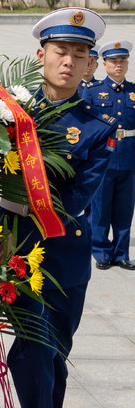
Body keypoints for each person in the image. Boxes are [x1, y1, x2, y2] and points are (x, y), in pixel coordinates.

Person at [0, 8, 115, 408]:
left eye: (79, 54)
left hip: (64, 255)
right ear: (40, 55)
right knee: (32, 351)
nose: (68, 61)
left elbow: (76, 196)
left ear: (90, 64)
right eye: (60, 51)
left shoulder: (96, 129)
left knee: (53, 358)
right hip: (15, 247)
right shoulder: (6, 114)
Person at [84, 38, 135, 271]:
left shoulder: (133, 91)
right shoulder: (94, 92)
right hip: (104, 156)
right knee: (101, 208)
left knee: (125, 209)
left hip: (129, 157)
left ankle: (122, 253)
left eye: (123, 61)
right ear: (104, 64)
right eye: (114, 61)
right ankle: (102, 251)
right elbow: (86, 126)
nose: (119, 65)